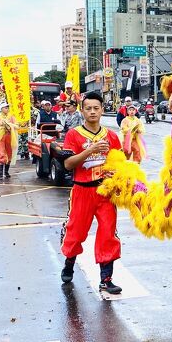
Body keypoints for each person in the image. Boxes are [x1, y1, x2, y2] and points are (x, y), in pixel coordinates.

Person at [60, 91, 124, 295]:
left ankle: (106, 279)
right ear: (82, 110)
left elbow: (120, 163)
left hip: (105, 192)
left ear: (102, 110)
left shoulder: (112, 136)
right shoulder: (73, 134)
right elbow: (68, 164)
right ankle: (69, 263)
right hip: (82, 190)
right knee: (76, 232)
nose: (93, 111)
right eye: (88, 108)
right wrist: (91, 150)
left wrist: (118, 173)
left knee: (108, 233)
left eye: (96, 108)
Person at [0, 102, 18, 178]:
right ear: (1, 109)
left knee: (9, 153)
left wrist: (9, 125)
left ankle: (6, 172)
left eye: (7, 108)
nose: (7, 109)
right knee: (1, 153)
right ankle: (0, 173)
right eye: (5, 108)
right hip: (0, 138)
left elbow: (17, 126)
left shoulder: (12, 117)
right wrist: (1, 127)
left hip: (9, 137)